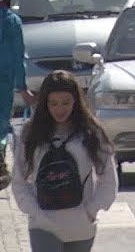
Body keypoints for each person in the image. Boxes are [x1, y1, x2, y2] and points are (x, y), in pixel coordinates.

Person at [12, 70, 118, 252]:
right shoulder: (30, 134)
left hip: (80, 226)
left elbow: (108, 177)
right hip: (43, 225)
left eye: (66, 103)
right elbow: (19, 179)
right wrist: (35, 213)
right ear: (44, 104)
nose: (60, 109)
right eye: (53, 103)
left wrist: (91, 210)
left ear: (76, 102)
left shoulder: (91, 132)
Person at [1, 0, 36, 190]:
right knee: (2, 124)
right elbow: (17, 58)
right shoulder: (12, 21)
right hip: (3, 80)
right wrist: (23, 88)